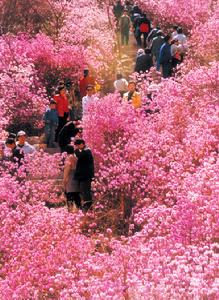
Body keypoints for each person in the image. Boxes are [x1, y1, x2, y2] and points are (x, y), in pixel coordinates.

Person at [74, 139, 94, 211]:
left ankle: (88, 206)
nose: (77, 147)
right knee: (84, 191)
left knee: (85, 191)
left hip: (85, 176)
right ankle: (87, 205)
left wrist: (75, 151)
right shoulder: (85, 151)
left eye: (78, 145)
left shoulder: (86, 151)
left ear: (82, 144)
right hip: (84, 176)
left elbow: (80, 156)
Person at [63, 145, 81, 212]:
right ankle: (80, 213)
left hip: (70, 180)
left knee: (70, 198)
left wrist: (64, 182)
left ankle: (70, 213)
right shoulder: (76, 158)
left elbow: (67, 170)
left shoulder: (69, 158)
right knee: (77, 198)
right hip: (77, 180)